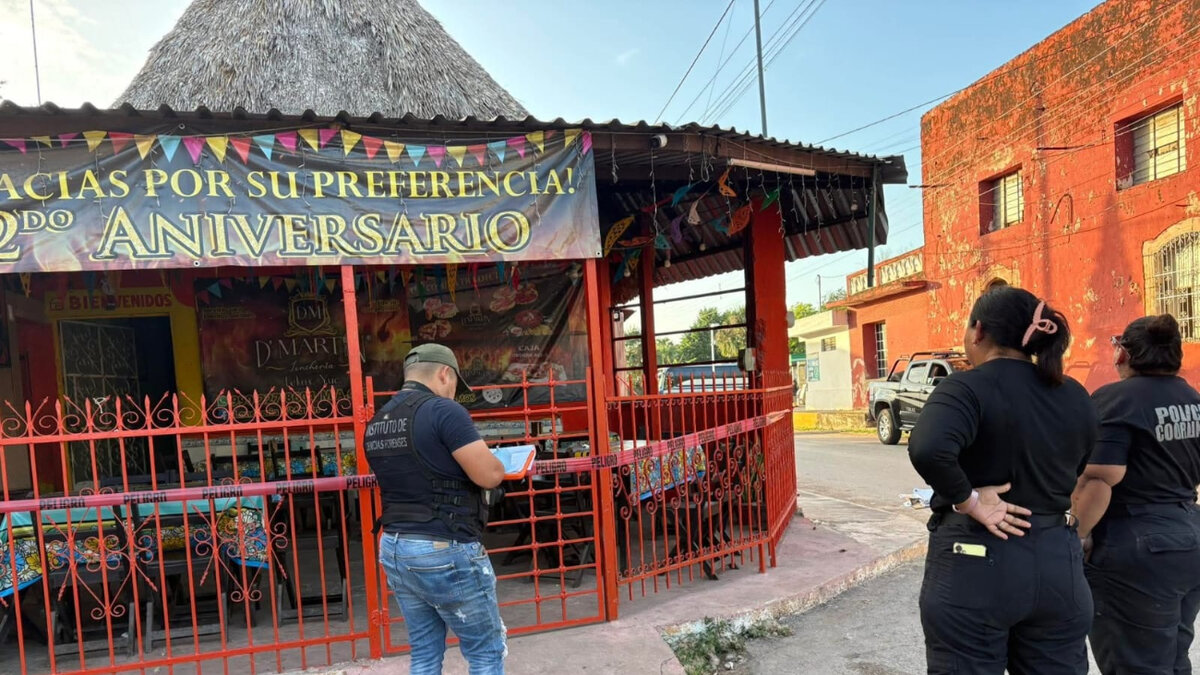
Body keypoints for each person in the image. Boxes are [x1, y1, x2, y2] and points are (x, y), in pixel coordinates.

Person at [908, 285, 1098, 674]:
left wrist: (969, 500)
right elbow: (1079, 465)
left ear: (978, 330)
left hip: (976, 561)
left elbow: (928, 448)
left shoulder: (966, 386)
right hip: (1056, 561)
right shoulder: (1075, 395)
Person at [363, 343, 507, 675]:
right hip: (444, 545)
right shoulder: (444, 411)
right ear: (444, 373)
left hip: (395, 546)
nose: (454, 393)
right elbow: (490, 475)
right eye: (455, 383)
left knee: (425, 653)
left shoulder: (379, 420)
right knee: (486, 652)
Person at [1071, 314, 1200, 674]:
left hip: (1136, 544)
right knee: (1173, 658)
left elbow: (1100, 477)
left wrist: (1078, 534)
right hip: (1189, 534)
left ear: (1123, 354)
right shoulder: (1192, 398)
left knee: (1134, 663)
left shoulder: (1115, 400)